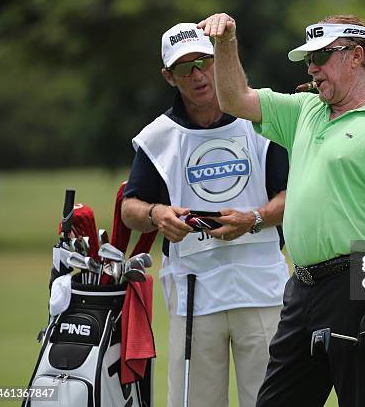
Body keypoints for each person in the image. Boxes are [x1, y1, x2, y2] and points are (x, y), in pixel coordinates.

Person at [198, 14, 365, 407]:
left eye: (321, 56)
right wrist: (226, 42)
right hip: (301, 289)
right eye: (308, 59)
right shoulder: (306, 110)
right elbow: (234, 99)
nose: (312, 67)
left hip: (355, 285)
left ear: (356, 56)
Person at [120, 22, 290, 407]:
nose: (198, 75)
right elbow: (130, 207)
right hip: (193, 294)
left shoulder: (262, 121)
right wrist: (157, 213)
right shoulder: (157, 137)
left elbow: (291, 195)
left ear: (217, 61)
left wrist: (255, 219)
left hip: (262, 289)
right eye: (184, 68)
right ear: (169, 76)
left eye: (204, 61)